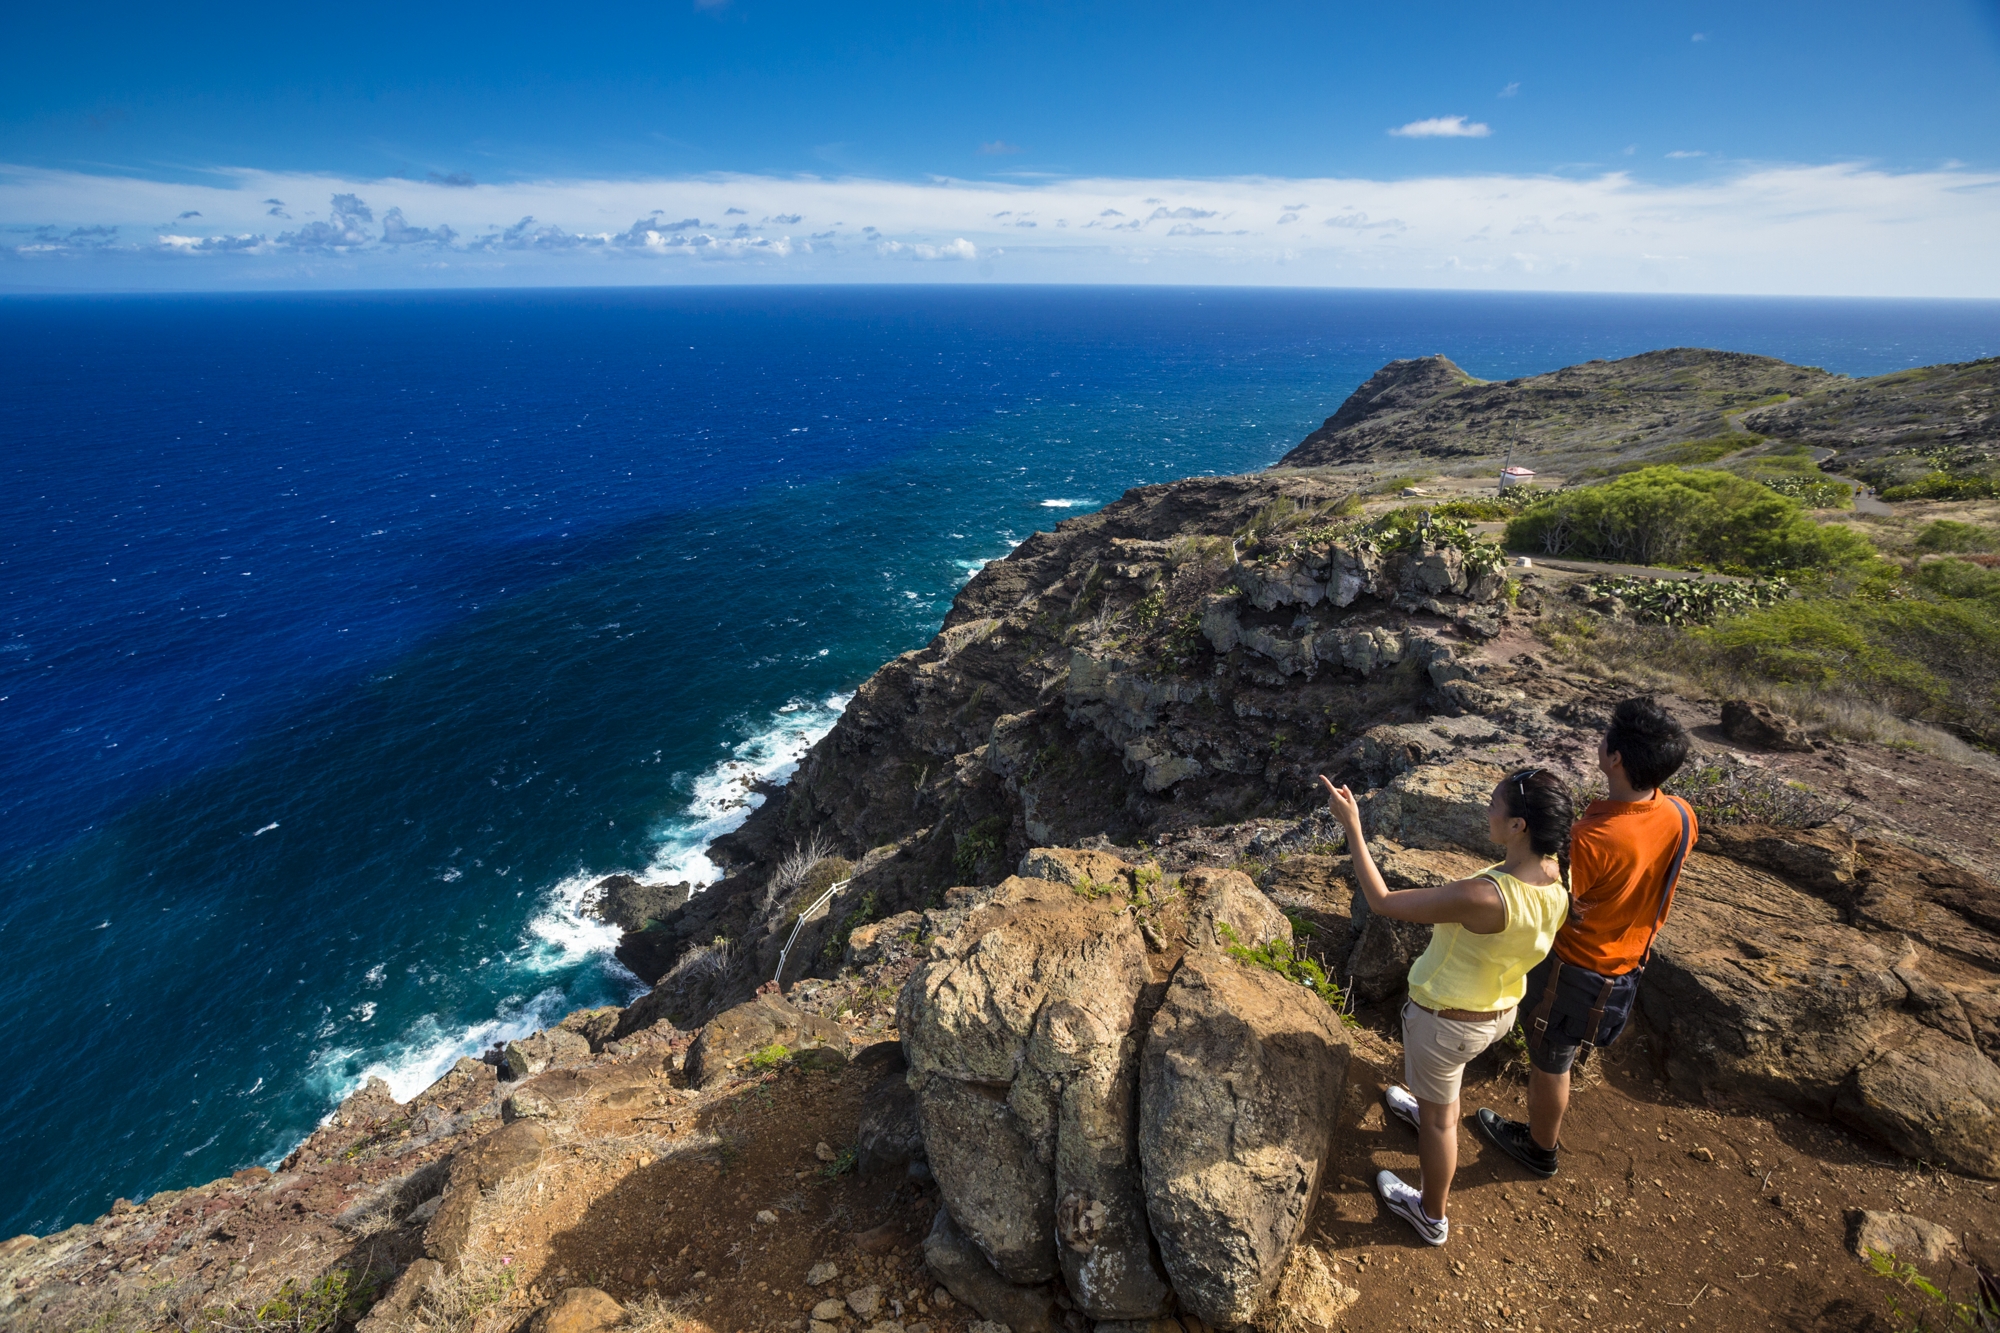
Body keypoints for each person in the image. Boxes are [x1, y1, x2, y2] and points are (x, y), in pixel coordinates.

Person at [1321, 768, 1574, 1246]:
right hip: (1498, 1012)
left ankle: (1430, 1215)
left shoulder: (1482, 897)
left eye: (1496, 803)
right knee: (1442, 1093)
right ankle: (1426, 1108)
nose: (1488, 810)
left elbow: (1381, 901)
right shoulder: (1555, 874)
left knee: (1442, 1122)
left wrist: (1353, 827)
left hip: (1446, 1022)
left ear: (1519, 825)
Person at [1475, 696, 1696, 1179]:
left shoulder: (1594, 840)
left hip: (1574, 970)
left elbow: (1549, 899)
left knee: (1552, 1060)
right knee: (1560, 1052)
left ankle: (1539, 1149)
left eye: (1607, 735)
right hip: (1627, 962)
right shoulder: (1679, 814)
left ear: (1615, 757)